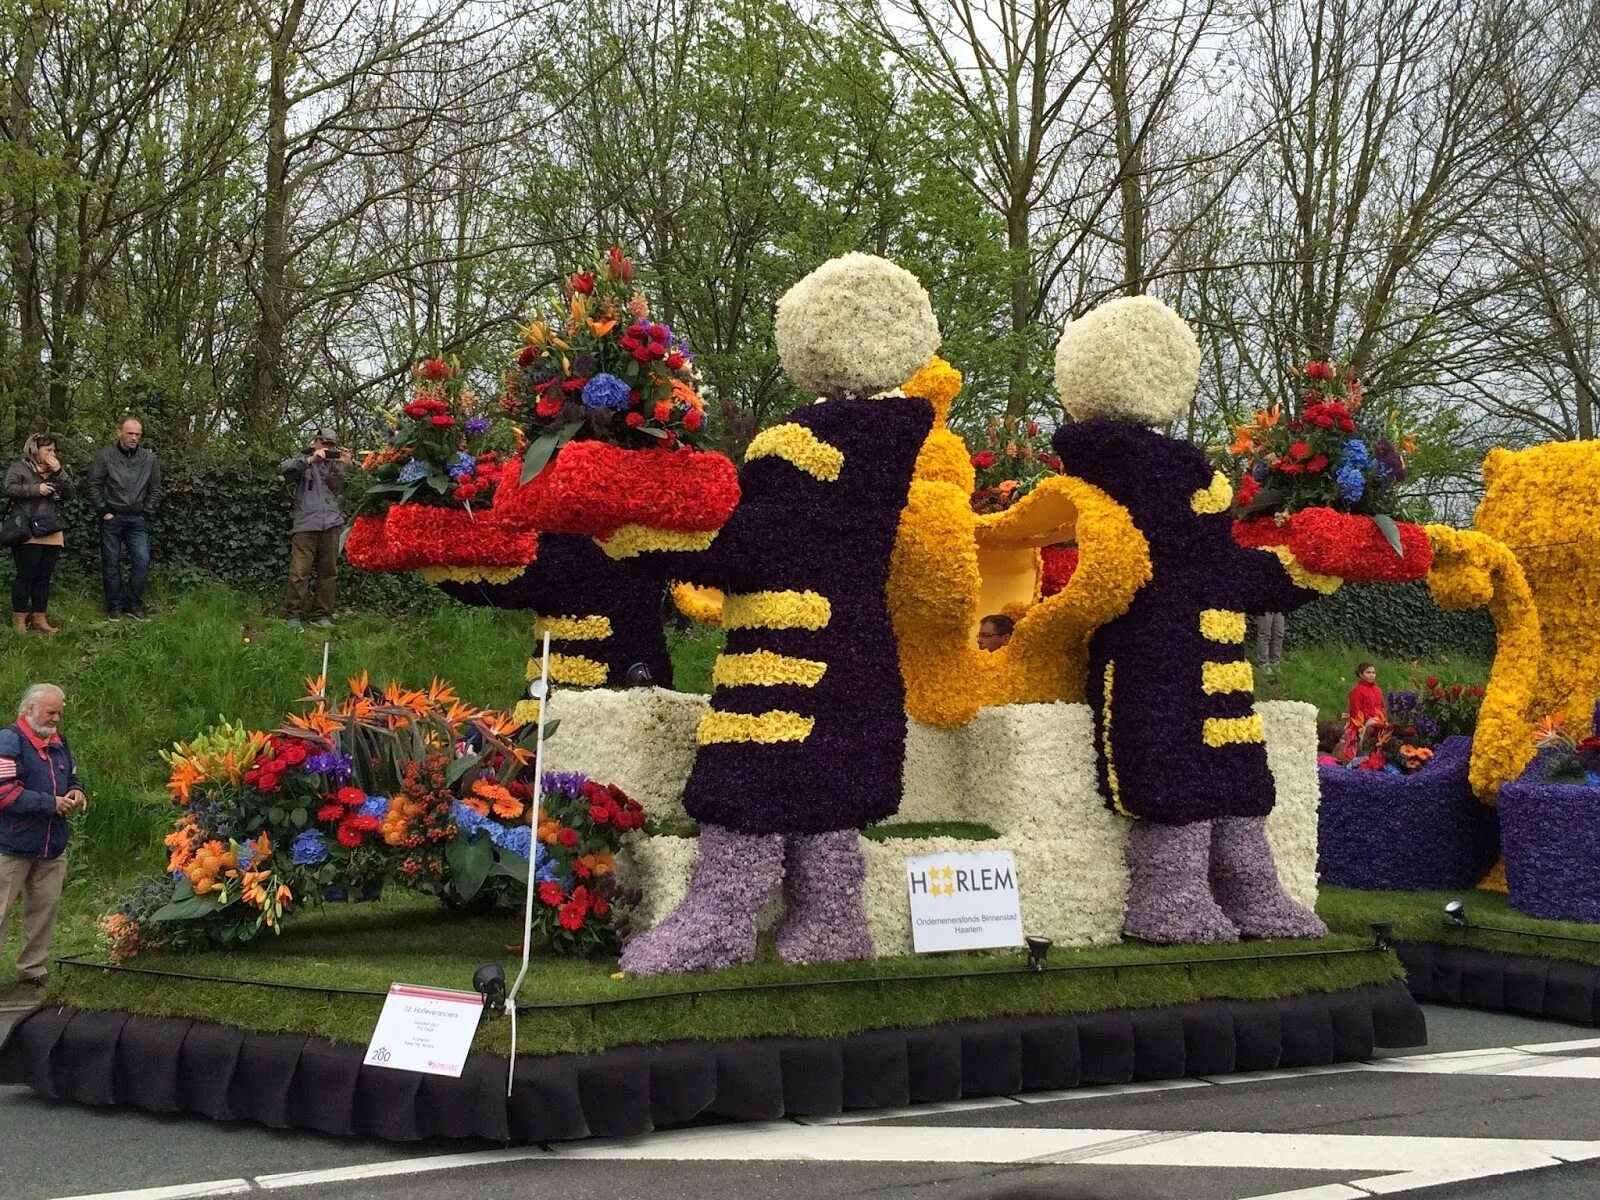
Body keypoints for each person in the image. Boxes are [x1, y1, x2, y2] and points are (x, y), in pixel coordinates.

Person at [0, 684, 85, 988]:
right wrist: (50, 803)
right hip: (10, 845)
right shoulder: (8, 740)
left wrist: (76, 790)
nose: (56, 719)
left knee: (44, 909)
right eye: (51, 712)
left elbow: (71, 775)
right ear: (29, 710)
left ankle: (32, 969)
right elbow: (4, 792)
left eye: (60, 712)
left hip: (51, 845)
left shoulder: (59, 741)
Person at [88, 415, 160, 620]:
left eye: (138, 434)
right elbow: (93, 484)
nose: (134, 438)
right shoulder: (105, 456)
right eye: (130, 433)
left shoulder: (149, 458)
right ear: (119, 432)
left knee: (142, 560)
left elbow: (155, 489)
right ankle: (115, 605)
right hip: (112, 517)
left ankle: (133, 603)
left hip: (138, 519)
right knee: (111, 562)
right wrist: (104, 511)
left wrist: (147, 512)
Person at [280, 428, 350, 629]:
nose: (328, 449)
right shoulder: (302, 460)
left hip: (333, 524)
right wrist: (311, 460)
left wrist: (349, 465)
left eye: (331, 446)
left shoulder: (338, 465)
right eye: (325, 444)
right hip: (305, 524)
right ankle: (293, 616)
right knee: (299, 572)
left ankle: (321, 616)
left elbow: (357, 486)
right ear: (316, 442)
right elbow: (285, 470)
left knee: (329, 572)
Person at [4, 434, 73, 636]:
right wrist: (36, 488)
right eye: (48, 450)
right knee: (26, 575)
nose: (52, 454)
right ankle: (19, 617)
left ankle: (40, 618)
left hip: (51, 528)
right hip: (27, 530)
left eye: (53, 450)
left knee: (44, 577)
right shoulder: (19, 467)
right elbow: (9, 488)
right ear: (34, 450)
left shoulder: (56, 470)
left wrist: (59, 470)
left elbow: (71, 492)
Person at [1344, 661, 1387, 761]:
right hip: (1363, 725)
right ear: (1360, 674)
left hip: (1378, 724)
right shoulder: (1357, 690)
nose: (1372, 675)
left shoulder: (1377, 690)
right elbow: (1355, 710)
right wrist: (1360, 727)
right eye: (1368, 672)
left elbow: (1382, 707)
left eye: (1373, 672)